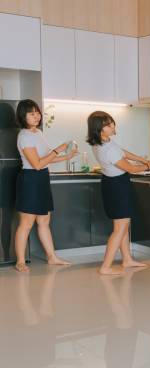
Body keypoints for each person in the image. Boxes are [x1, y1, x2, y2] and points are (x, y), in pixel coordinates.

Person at [87, 111, 150, 275]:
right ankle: (105, 266)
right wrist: (149, 166)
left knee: (123, 226)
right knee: (120, 228)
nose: (112, 126)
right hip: (117, 187)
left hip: (113, 184)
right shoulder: (107, 149)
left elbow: (123, 152)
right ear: (99, 129)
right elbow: (131, 168)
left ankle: (126, 260)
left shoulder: (104, 143)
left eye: (112, 122)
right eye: (108, 124)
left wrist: (143, 159)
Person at [13, 99, 77, 273]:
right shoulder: (24, 136)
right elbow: (37, 164)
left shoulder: (39, 133)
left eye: (37, 112)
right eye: (32, 113)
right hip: (30, 179)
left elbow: (47, 158)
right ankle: (20, 261)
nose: (37, 116)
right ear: (23, 116)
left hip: (42, 178)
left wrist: (67, 155)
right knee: (26, 224)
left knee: (44, 220)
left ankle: (52, 257)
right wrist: (58, 149)